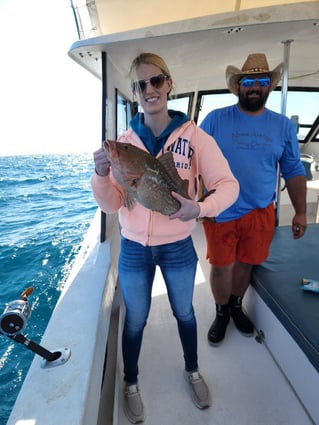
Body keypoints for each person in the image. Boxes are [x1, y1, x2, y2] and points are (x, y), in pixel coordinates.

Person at [91, 52, 239, 423]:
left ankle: (192, 370)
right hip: (135, 251)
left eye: (156, 81)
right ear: (135, 92)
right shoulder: (125, 142)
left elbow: (228, 186)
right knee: (136, 319)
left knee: (185, 312)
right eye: (141, 84)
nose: (149, 90)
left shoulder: (195, 138)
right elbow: (112, 205)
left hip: (177, 248)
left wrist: (199, 209)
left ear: (169, 83)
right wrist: (99, 173)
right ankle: (131, 382)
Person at [200, 53, 307, 347]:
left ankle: (236, 305)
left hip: (260, 211)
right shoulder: (215, 119)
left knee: (246, 263)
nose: (255, 86)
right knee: (221, 266)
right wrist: (201, 200)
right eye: (249, 81)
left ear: (270, 86)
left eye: (262, 81)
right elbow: (195, 162)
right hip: (221, 210)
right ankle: (222, 313)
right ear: (238, 86)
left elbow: (294, 170)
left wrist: (300, 212)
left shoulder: (283, 126)